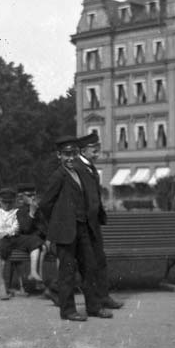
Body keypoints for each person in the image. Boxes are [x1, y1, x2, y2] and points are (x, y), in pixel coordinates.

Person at [38, 135, 112, 321]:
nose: (70, 158)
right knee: (67, 272)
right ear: (59, 156)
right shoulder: (58, 175)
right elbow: (45, 204)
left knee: (90, 268)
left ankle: (94, 307)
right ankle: (68, 310)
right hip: (66, 233)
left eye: (73, 154)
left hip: (83, 229)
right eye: (66, 154)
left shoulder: (79, 172)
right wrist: (56, 225)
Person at [75, 132, 124, 310]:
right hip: (83, 224)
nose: (97, 154)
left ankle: (103, 296)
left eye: (98, 150)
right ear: (83, 150)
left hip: (93, 223)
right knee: (88, 263)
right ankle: (93, 300)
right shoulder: (77, 168)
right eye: (94, 150)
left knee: (100, 260)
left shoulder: (91, 167)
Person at [0, 187, 43, 300]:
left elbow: (17, 228)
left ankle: (33, 272)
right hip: (2, 241)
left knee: (35, 241)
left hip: (16, 238)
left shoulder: (17, 212)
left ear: (14, 201)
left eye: (10, 202)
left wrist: (4, 232)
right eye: (4, 202)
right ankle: (2, 285)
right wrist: (3, 233)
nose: (7, 204)